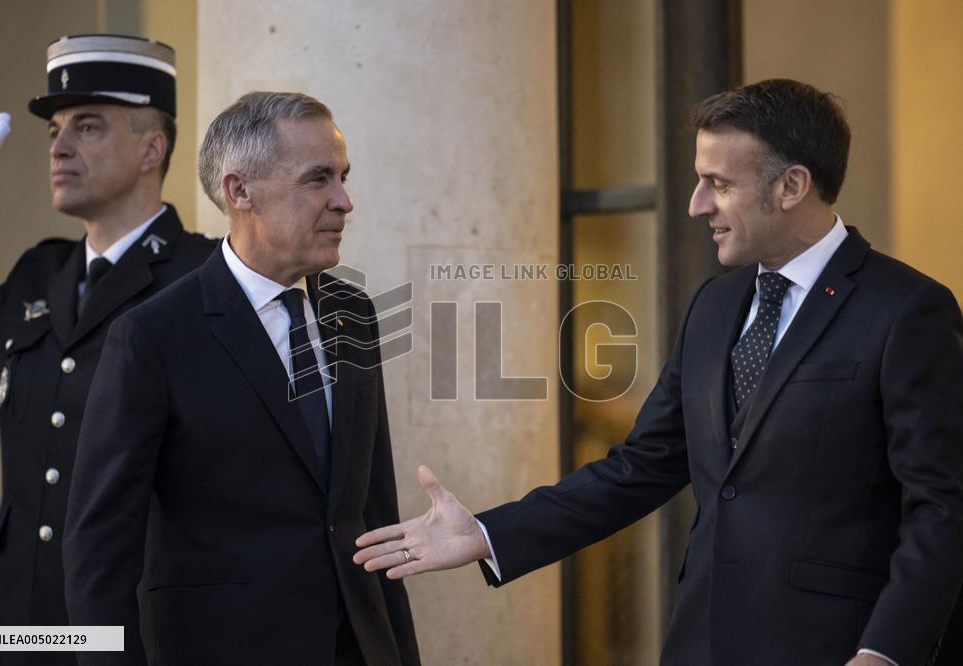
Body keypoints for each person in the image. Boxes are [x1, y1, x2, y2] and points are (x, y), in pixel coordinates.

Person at [354, 79, 963, 666]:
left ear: (792, 186)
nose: (697, 205)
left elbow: (941, 506)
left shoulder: (908, 310)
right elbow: (640, 467)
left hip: (838, 648)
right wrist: (488, 534)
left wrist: (885, 651)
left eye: (717, 184)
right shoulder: (713, 305)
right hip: (700, 642)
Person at [64, 91, 419, 665]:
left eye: (343, 178)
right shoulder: (152, 337)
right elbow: (97, 552)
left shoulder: (354, 314)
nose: (344, 201)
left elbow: (373, 513)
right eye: (318, 179)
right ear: (238, 191)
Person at [0, 33, 216, 663]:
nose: (60, 147)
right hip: (16, 631)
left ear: (152, 147)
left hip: (136, 632)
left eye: (88, 126)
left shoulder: (204, 278)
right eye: (54, 131)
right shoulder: (35, 277)